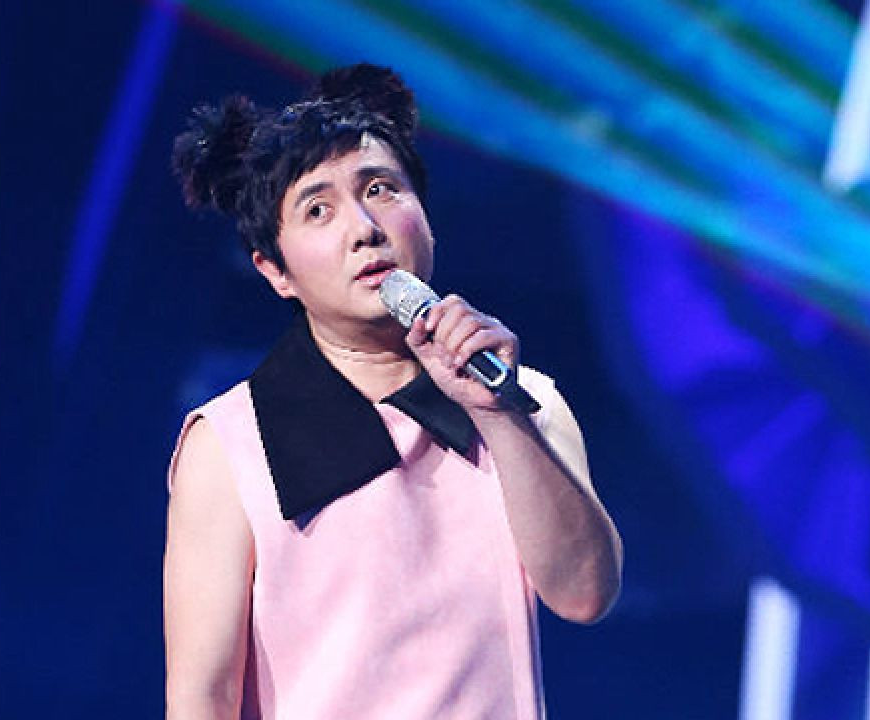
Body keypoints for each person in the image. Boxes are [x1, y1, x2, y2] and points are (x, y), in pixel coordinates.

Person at [164, 63, 622, 719]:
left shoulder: (524, 399)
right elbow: (200, 696)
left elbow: (584, 594)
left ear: (426, 217)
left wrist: (500, 415)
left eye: (381, 190)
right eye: (318, 209)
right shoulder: (231, 444)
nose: (364, 228)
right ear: (275, 271)